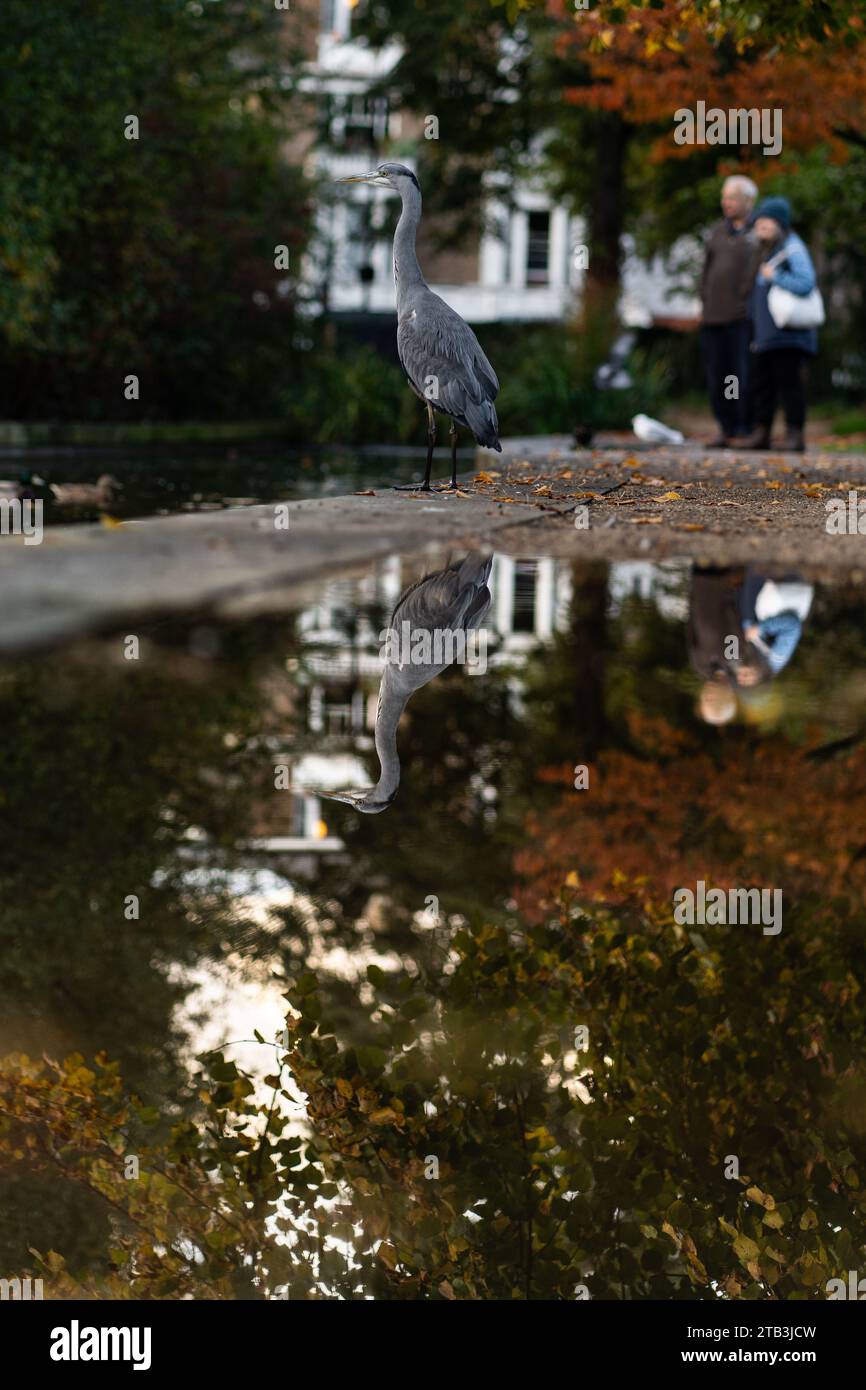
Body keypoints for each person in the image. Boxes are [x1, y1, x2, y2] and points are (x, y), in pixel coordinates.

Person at [743, 196, 818, 453]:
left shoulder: (793, 247)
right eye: (759, 221)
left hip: (788, 335)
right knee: (762, 385)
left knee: (790, 385)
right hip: (765, 335)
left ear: (780, 223)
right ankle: (761, 433)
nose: (761, 225)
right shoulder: (766, 249)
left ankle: (795, 436)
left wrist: (776, 276)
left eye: (767, 221)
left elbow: (806, 282)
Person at [700, 176, 762, 447]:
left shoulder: (757, 233)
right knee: (717, 374)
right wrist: (703, 300)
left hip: (740, 319)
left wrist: (744, 302)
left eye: (732, 197)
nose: (726, 202)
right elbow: (706, 270)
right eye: (725, 197)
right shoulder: (716, 231)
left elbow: (756, 273)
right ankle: (725, 427)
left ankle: (741, 427)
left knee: (737, 376)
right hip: (712, 316)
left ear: (748, 201)